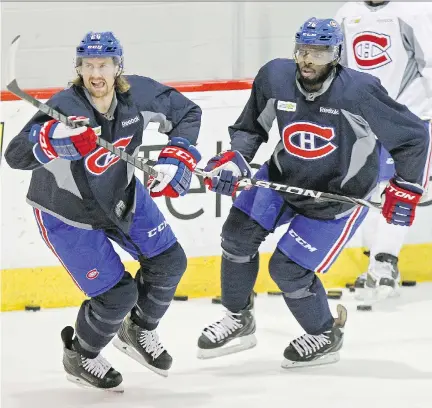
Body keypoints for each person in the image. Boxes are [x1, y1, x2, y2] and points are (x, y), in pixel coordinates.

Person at [196, 17, 430, 368]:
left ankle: (323, 335)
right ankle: (238, 319)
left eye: (319, 54)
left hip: (335, 199)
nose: (308, 60)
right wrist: (235, 160)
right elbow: (250, 127)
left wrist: (406, 185)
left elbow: (413, 137)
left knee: (288, 270)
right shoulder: (275, 76)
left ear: (336, 55)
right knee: (236, 238)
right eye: (303, 51)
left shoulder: (359, 91)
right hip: (280, 178)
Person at [4, 31, 202, 391]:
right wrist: (50, 141)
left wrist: (178, 155)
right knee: (117, 296)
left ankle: (138, 330)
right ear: (78, 69)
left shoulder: (138, 94)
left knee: (170, 262)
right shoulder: (66, 105)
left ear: (117, 66)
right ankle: (81, 354)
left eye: (104, 65)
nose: (96, 73)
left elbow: (188, 112)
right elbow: (15, 155)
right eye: (88, 65)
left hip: (120, 193)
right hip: (67, 211)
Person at [334, 1, 432, 301]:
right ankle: (379, 260)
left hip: (409, 117)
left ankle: (384, 260)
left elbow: (429, 64)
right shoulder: (346, 13)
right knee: (371, 188)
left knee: (402, 189)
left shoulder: (416, 10)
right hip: (363, 119)